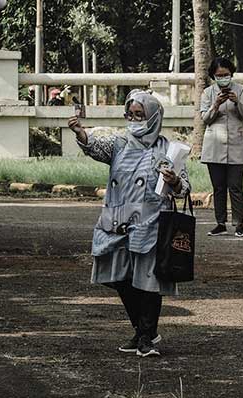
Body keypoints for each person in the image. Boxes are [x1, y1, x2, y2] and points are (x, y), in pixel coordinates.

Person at [67, 90, 190, 357]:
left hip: (153, 224)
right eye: (130, 115)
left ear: (154, 118)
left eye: (140, 115)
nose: (134, 120)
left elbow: (184, 189)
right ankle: (142, 329)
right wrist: (80, 133)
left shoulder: (168, 149)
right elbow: (95, 148)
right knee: (120, 277)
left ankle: (145, 337)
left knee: (148, 282)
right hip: (118, 222)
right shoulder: (119, 144)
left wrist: (174, 181)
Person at [200, 57, 243, 238]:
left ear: (231, 74)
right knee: (218, 187)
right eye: (219, 75)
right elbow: (205, 119)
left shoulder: (241, 90)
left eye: (226, 74)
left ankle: (239, 225)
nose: (223, 78)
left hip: (237, 144)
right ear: (213, 76)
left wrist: (237, 102)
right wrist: (216, 104)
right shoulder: (208, 93)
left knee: (236, 187)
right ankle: (220, 223)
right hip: (214, 145)